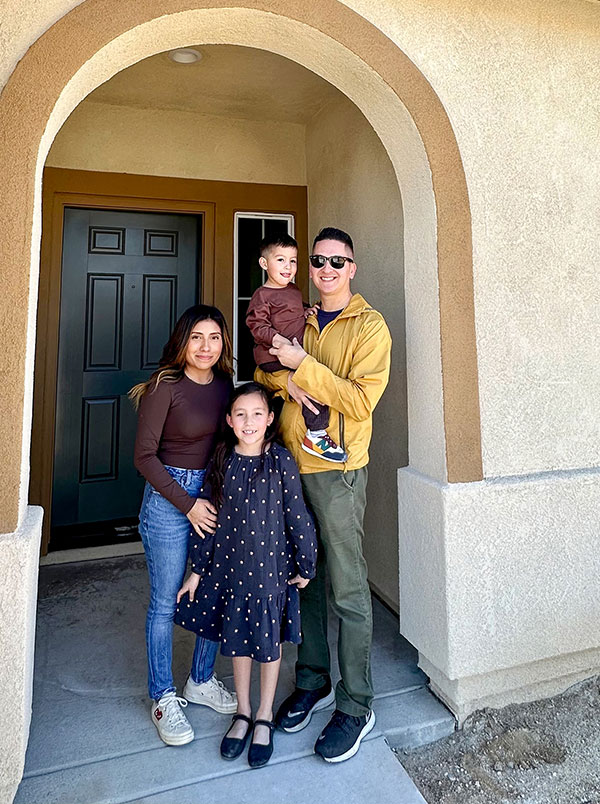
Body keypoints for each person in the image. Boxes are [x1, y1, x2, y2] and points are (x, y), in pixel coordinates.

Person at [256, 227, 392, 763]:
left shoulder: (369, 326)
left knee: (348, 589)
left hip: (337, 472)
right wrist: (283, 379)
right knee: (305, 583)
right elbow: (271, 374)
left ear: (352, 268)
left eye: (338, 261)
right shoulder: (301, 319)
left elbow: (360, 401)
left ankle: (356, 704)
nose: (327, 268)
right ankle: (313, 681)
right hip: (291, 468)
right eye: (318, 260)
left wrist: (301, 365)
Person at [175, 382, 317, 768]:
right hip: (232, 574)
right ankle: (242, 711)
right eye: (241, 414)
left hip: (271, 574)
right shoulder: (222, 461)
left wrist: (307, 563)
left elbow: (297, 515)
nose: (249, 421)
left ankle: (265, 716)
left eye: (257, 414)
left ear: (270, 419)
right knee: (239, 645)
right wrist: (197, 571)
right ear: (229, 420)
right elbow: (208, 520)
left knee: (269, 647)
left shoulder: (280, 461)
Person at [130, 304, 237, 747]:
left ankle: (201, 680)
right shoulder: (164, 387)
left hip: (211, 496)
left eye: (214, 337)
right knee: (166, 602)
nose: (205, 347)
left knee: (210, 592)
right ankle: (162, 696)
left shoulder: (225, 386)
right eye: (197, 337)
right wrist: (188, 504)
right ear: (182, 341)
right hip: (169, 500)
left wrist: (212, 499)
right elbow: (144, 458)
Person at [246, 233, 347, 464]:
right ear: (264, 264)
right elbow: (256, 324)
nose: (288, 266)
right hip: (274, 354)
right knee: (311, 384)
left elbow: (290, 310)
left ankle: (284, 439)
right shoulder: (262, 295)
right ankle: (316, 434)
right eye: (280, 260)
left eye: (293, 261)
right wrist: (277, 340)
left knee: (312, 382)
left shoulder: (293, 290)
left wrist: (306, 310)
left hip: (292, 353)